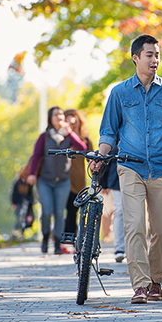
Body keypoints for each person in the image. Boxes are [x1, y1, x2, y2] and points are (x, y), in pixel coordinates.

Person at [91, 34, 162, 304]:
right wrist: (100, 155)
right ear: (135, 58)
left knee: (161, 230)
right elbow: (108, 132)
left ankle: (156, 281)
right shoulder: (120, 92)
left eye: (157, 55)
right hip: (129, 167)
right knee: (134, 227)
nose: (155, 60)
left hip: (161, 168)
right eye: (149, 55)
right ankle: (140, 285)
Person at [27, 106, 88, 254]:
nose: (59, 117)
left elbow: (82, 148)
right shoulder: (45, 137)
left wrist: (71, 133)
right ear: (50, 118)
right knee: (47, 211)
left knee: (60, 213)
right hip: (45, 180)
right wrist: (32, 174)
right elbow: (36, 156)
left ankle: (57, 244)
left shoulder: (68, 137)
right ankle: (46, 237)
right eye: (55, 115)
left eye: (61, 114)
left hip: (63, 181)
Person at [63, 109, 94, 254]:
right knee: (65, 211)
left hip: (79, 180)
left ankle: (75, 240)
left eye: (74, 118)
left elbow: (92, 159)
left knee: (75, 211)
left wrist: (97, 179)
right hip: (62, 180)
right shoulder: (62, 137)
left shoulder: (85, 139)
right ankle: (64, 240)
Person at [97, 145, 127, 263]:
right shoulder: (117, 128)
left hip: (139, 174)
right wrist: (103, 182)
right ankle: (119, 248)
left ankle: (134, 247)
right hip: (116, 177)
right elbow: (107, 152)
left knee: (134, 212)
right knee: (120, 210)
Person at [11, 162, 35, 240]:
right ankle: (15, 232)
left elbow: (31, 194)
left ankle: (22, 234)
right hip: (18, 203)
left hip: (26, 204)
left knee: (24, 218)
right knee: (19, 217)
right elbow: (14, 193)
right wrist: (13, 203)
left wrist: (31, 203)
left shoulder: (29, 183)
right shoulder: (18, 183)